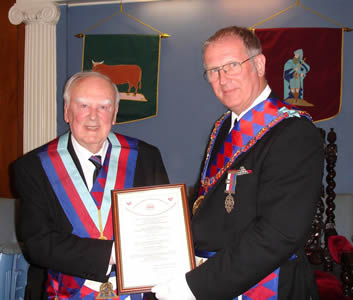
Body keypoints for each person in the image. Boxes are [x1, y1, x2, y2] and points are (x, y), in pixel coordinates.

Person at [152, 26, 323, 300]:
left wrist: (195, 286)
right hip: (215, 276)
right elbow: (208, 203)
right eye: (212, 70)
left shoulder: (293, 132)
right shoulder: (222, 127)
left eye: (232, 65)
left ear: (259, 63)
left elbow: (280, 233)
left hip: (264, 283)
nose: (222, 78)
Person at [13, 71, 169, 299]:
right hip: (65, 292)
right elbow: (38, 244)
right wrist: (112, 254)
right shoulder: (34, 167)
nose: (93, 117)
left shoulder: (146, 157)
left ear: (114, 114)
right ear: (67, 112)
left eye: (104, 107)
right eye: (83, 105)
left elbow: (162, 228)